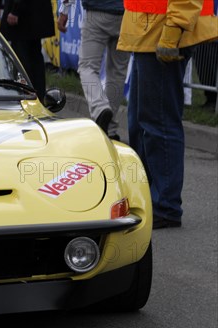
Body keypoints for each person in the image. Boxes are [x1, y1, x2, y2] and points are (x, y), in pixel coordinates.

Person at [117, 0, 218, 229]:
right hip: (150, 31)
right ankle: (149, 198)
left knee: (158, 123)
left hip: (163, 31)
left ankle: (165, 206)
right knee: (142, 122)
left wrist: (173, 31)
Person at [57, 0, 130, 141]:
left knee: (87, 67)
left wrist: (64, 11)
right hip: (126, 13)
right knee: (118, 72)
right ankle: (111, 129)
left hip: (97, 11)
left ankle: (100, 108)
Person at [0, 0, 55, 101]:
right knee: (34, 58)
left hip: (23, 18)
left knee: (22, 60)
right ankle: (38, 97)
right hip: (32, 16)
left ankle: (26, 96)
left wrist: (15, 10)